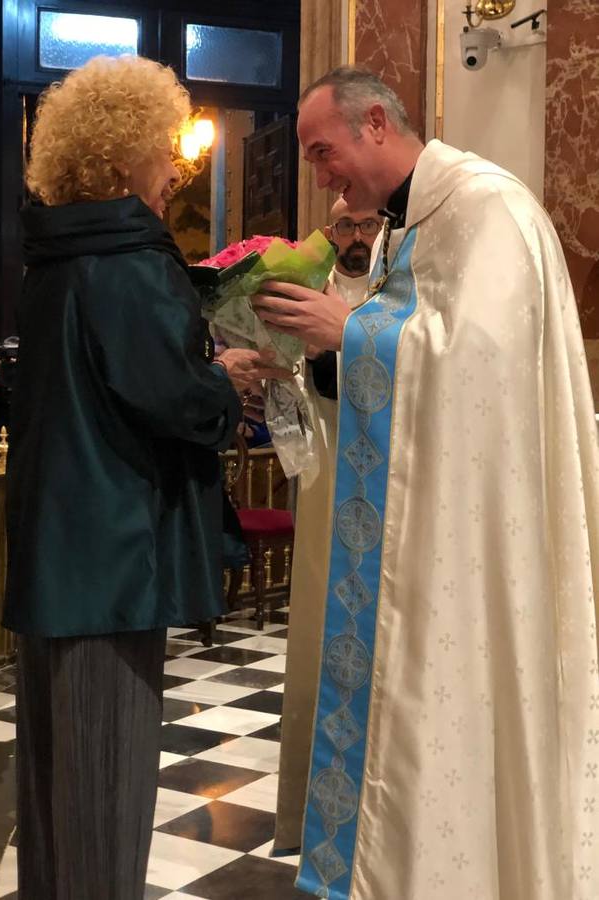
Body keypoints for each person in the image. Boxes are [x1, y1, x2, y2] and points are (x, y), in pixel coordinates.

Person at [253, 66, 599, 900]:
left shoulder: (490, 210)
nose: (320, 173)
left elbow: (484, 370)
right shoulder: (407, 230)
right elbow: (412, 358)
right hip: (423, 533)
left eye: (323, 151)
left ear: (376, 122)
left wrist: (356, 330)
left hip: (478, 543)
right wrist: (323, 346)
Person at [3, 55, 289, 900]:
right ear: (122, 151)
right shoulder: (126, 257)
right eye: (166, 149)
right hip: (114, 557)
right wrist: (222, 379)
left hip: (55, 547)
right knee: (105, 784)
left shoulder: (53, 257)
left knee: (55, 785)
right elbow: (163, 392)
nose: (176, 169)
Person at [274, 197, 380, 852]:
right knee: (318, 631)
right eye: (343, 225)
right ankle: (308, 817)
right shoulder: (304, 291)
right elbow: (286, 387)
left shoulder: (402, 287)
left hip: (384, 482)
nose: (355, 237)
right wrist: (276, 372)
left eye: (367, 223)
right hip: (322, 485)